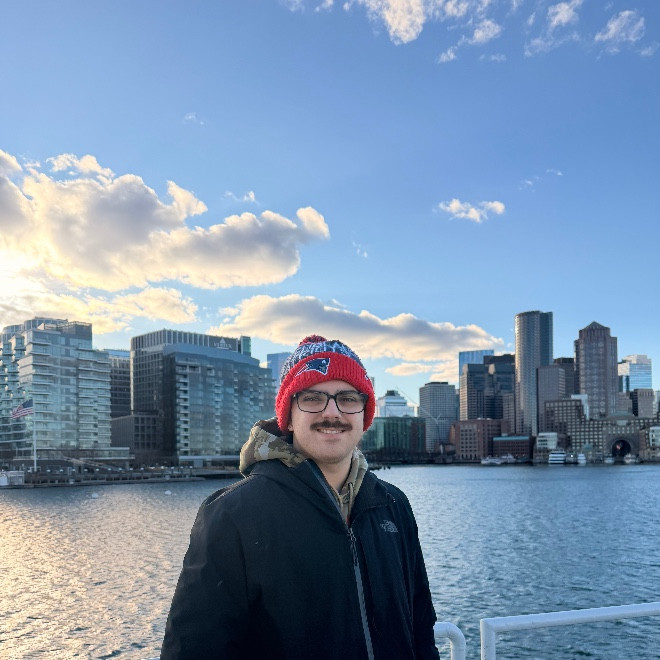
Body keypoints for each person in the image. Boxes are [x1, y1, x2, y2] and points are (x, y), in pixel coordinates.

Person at [161, 335, 439, 660]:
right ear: (289, 417)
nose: (332, 412)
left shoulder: (393, 505)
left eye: (348, 398)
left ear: (364, 415)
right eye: (313, 397)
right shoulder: (232, 514)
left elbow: (421, 631)